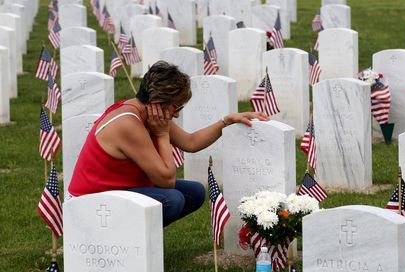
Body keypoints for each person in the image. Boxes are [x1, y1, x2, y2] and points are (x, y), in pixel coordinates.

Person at [68, 61, 268, 226]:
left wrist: (226, 121)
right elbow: (167, 180)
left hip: (119, 189)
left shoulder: (148, 113)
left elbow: (191, 142)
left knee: (195, 192)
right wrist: (162, 135)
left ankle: (140, 238)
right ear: (157, 102)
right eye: (176, 107)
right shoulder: (128, 123)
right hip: (91, 202)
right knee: (173, 199)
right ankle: (125, 239)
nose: (178, 113)